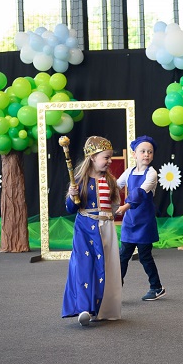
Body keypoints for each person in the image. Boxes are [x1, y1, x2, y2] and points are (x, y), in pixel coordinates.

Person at [62, 136, 123, 326]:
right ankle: (84, 308)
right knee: (84, 266)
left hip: (106, 228)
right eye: (106, 157)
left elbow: (114, 205)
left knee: (106, 266)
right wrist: (72, 196)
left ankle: (104, 309)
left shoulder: (111, 181)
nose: (110, 161)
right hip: (84, 229)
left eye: (110, 157)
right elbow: (70, 208)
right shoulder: (79, 181)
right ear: (92, 157)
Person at [116, 135, 166, 301]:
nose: (146, 154)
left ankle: (156, 287)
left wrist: (124, 207)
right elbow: (116, 185)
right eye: (143, 151)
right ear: (134, 154)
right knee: (123, 256)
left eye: (150, 152)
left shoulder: (152, 173)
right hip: (130, 222)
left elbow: (139, 193)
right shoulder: (129, 171)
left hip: (144, 222)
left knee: (145, 257)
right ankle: (115, 290)